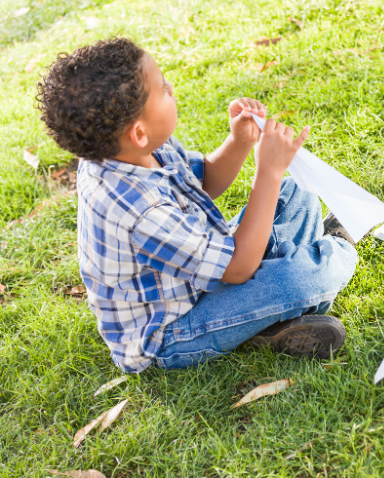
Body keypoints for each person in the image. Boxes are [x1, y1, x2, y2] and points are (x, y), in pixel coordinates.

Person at [35, 38, 358, 373]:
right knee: (303, 278)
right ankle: (329, 254)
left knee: (296, 192)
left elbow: (205, 184)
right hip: (173, 331)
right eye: (162, 90)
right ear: (139, 132)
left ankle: (262, 320)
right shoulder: (136, 209)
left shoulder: (134, 151)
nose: (171, 88)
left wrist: (239, 141)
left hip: (200, 275)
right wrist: (269, 171)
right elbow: (237, 269)